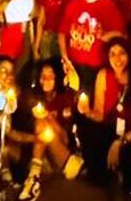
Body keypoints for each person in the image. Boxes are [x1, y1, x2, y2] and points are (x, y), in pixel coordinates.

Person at [76, 37, 131, 188]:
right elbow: (100, 115)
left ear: (129, 54)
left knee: (128, 157)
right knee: (88, 129)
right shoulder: (104, 75)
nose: (117, 58)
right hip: (109, 128)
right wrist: (87, 111)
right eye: (112, 54)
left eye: (122, 53)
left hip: (130, 134)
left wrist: (121, 141)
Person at [11, 59, 82, 199]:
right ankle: (33, 180)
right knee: (40, 124)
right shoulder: (35, 100)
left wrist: (48, 117)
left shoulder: (65, 99)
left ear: (57, 78)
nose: (46, 79)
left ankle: (33, 180)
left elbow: (65, 139)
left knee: (42, 122)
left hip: (65, 157)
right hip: (43, 156)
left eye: (50, 75)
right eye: (42, 76)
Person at [60, 0, 127, 94]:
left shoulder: (108, 5)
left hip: (96, 66)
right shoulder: (73, 4)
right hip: (73, 65)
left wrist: (106, 36)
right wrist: (65, 57)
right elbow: (62, 33)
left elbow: (121, 34)